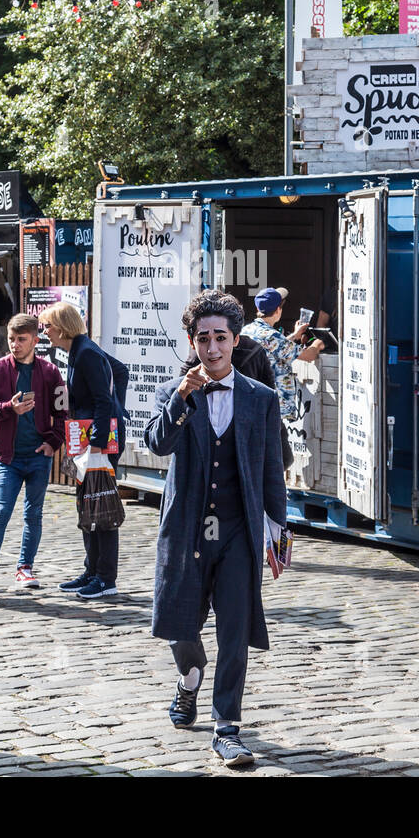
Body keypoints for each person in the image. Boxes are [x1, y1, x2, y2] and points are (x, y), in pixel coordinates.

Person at [145, 289, 287, 768]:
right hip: (186, 526)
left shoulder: (261, 399)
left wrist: (278, 534)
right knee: (177, 620)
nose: (211, 348)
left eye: (220, 338)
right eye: (203, 338)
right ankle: (189, 678)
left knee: (234, 630)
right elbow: (157, 444)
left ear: (235, 339)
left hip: (238, 530)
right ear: (192, 340)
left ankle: (227, 726)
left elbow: (272, 470)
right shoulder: (175, 390)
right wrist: (183, 397)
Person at [0, 313, 68, 592]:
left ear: (35, 341)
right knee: (0, 513)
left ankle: (25, 568)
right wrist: (8, 408)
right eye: (11, 339)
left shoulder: (50, 373)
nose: (15, 344)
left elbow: (63, 411)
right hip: (8, 458)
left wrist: (54, 442)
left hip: (39, 456)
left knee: (33, 514)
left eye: (21, 339)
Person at [41, 300, 126, 600]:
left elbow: (104, 399)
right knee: (87, 504)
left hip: (97, 443)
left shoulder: (86, 353)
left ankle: (106, 578)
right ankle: (91, 570)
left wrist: (101, 439)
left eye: (48, 326)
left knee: (100, 504)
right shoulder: (80, 350)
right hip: (87, 439)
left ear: (62, 326)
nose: (45, 331)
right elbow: (121, 370)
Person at [179, 334, 293, 471]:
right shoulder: (254, 347)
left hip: (217, 432)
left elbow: (183, 382)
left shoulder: (204, 347)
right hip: (246, 428)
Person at [241, 286, 323, 423]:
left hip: (252, 402)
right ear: (278, 310)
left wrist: (295, 335)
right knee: (277, 443)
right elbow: (309, 356)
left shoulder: (247, 330)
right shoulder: (272, 336)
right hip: (272, 408)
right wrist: (317, 343)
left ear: (258, 309)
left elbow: (272, 346)